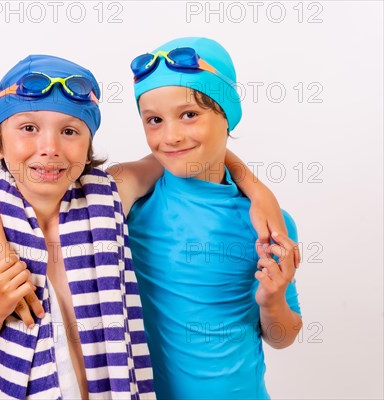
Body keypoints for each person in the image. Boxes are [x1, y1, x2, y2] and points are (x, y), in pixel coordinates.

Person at [0, 54, 156, 399]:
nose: (49, 148)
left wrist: (256, 189)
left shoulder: (112, 195)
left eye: (70, 131)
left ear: (88, 148)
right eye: (29, 128)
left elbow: (177, 150)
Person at [126, 37, 302, 399]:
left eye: (189, 114)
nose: (171, 136)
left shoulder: (268, 223)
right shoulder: (129, 209)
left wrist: (273, 301)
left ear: (226, 115)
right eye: (154, 120)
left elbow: (282, 337)